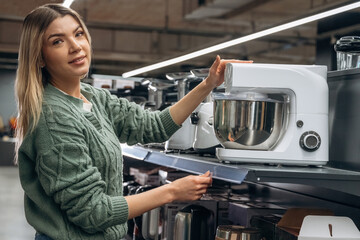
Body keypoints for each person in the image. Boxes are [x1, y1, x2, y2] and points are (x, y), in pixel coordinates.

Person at [14, 3, 242, 240]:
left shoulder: (94, 97)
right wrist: (172, 191)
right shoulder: (53, 117)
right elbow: (94, 212)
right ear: (40, 58)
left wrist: (208, 84)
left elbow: (155, 127)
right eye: (57, 41)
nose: (75, 46)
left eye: (78, 33)